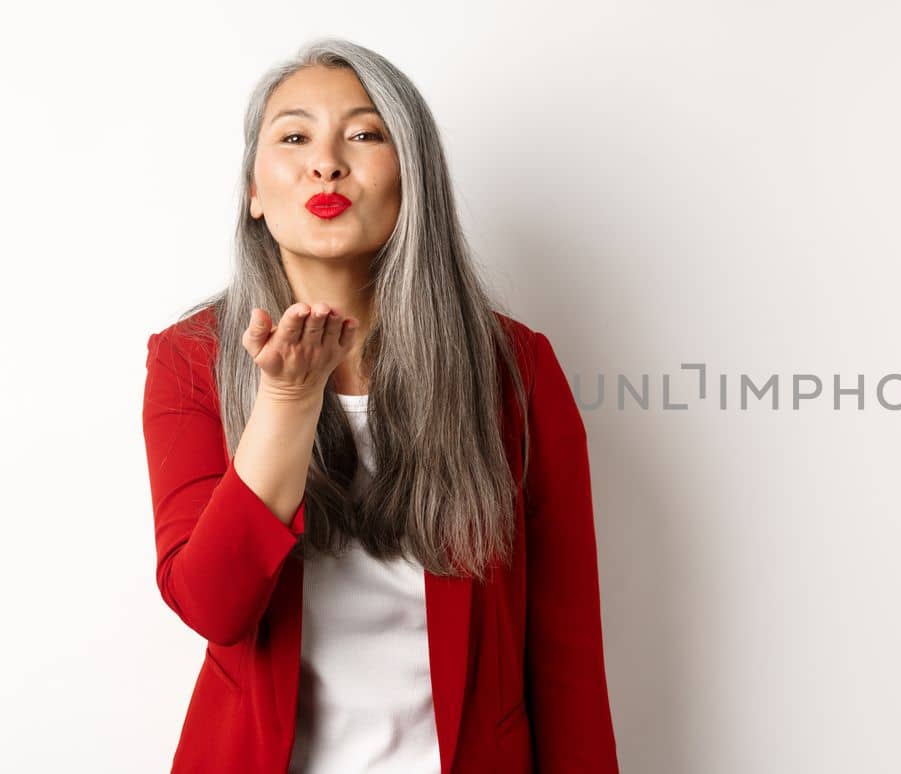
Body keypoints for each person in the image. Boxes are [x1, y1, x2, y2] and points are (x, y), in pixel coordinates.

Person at [139, 38, 620, 774]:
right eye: (294, 137)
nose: (325, 163)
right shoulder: (189, 360)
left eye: (364, 135)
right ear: (254, 193)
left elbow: (566, 656)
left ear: (413, 178)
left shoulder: (514, 370)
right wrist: (288, 403)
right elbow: (212, 605)